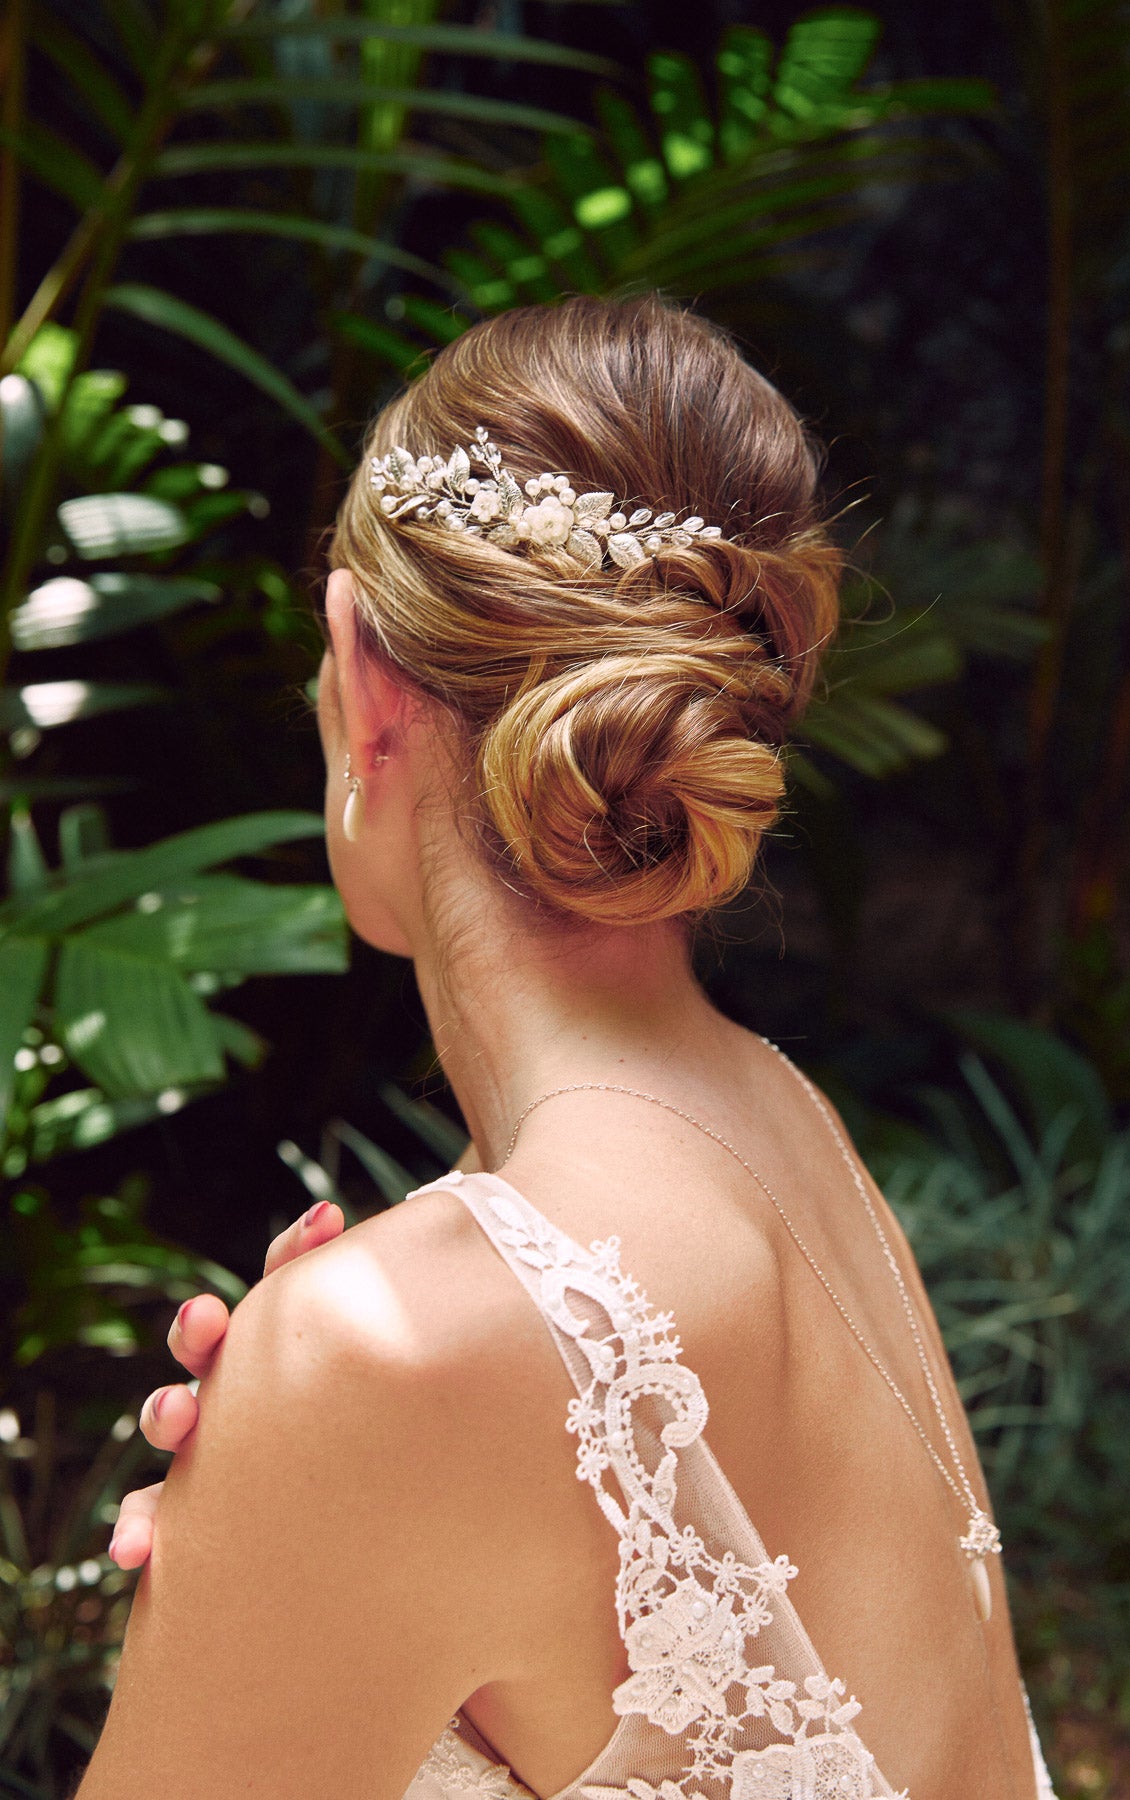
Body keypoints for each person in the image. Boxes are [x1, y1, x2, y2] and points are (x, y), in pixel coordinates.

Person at [77, 296, 1055, 1800]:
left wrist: (310, 1428)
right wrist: (294, 1498)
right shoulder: (788, 1134)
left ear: (365, 675)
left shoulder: (389, 1359)